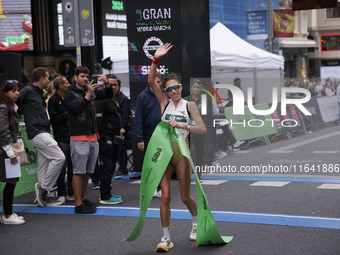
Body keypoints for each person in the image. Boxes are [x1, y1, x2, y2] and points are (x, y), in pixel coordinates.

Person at [148, 43, 207, 252]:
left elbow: (202, 129)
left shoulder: (189, 105)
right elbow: (150, 80)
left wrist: (184, 125)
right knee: (165, 196)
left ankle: (196, 220)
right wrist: (156, 59)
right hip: (165, 154)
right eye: (169, 88)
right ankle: (166, 238)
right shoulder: (163, 102)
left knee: (184, 196)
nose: (173, 91)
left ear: (181, 87)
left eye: (176, 87)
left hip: (182, 154)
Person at [64, 67, 113, 214]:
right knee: (78, 171)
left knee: (87, 171)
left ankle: (83, 199)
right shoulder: (70, 94)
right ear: (75, 77)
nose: (85, 79)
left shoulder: (90, 91)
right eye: (82, 76)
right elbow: (77, 109)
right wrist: (89, 93)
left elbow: (108, 95)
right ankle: (78, 204)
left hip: (93, 136)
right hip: (79, 136)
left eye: (87, 76)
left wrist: (107, 84)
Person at [21, 67, 65, 207]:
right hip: (37, 131)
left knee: (44, 165)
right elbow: (14, 102)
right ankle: (44, 188)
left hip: (42, 130)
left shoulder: (39, 92)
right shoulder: (27, 91)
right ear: (41, 79)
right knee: (59, 157)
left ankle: (41, 198)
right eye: (47, 78)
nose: (49, 80)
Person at [135, 72, 169, 196]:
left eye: (159, 82)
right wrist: (140, 139)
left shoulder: (165, 96)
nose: (157, 84)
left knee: (162, 162)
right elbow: (138, 119)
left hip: (163, 136)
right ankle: (151, 188)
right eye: (155, 82)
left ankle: (160, 188)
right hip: (148, 136)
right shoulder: (142, 96)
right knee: (150, 163)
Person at [95, 74, 123, 205]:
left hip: (114, 135)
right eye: (110, 84)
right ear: (104, 84)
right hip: (106, 137)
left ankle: (107, 192)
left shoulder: (114, 98)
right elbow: (98, 119)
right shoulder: (102, 98)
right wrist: (104, 135)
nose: (113, 87)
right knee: (106, 166)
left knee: (111, 165)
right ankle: (105, 195)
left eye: (115, 84)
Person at [0, 80, 25, 224]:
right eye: (13, 90)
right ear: (5, 93)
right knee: (11, 181)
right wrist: (10, 152)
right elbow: (2, 131)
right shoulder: (4, 108)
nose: (17, 93)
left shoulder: (11, 107)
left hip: (11, 149)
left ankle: (8, 213)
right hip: (6, 151)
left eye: (18, 90)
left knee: (12, 181)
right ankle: (7, 215)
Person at [48, 75, 74, 203]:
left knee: (73, 166)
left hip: (73, 136)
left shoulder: (69, 98)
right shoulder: (53, 100)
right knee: (62, 167)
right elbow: (53, 119)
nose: (69, 85)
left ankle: (71, 192)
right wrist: (65, 114)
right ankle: (62, 193)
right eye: (67, 83)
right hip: (61, 138)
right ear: (60, 86)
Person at [113, 78, 131, 176]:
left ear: (119, 86)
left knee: (121, 148)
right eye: (112, 85)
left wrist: (123, 127)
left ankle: (123, 168)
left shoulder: (123, 99)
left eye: (115, 85)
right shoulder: (110, 97)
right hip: (113, 127)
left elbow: (125, 114)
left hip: (121, 128)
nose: (113, 87)